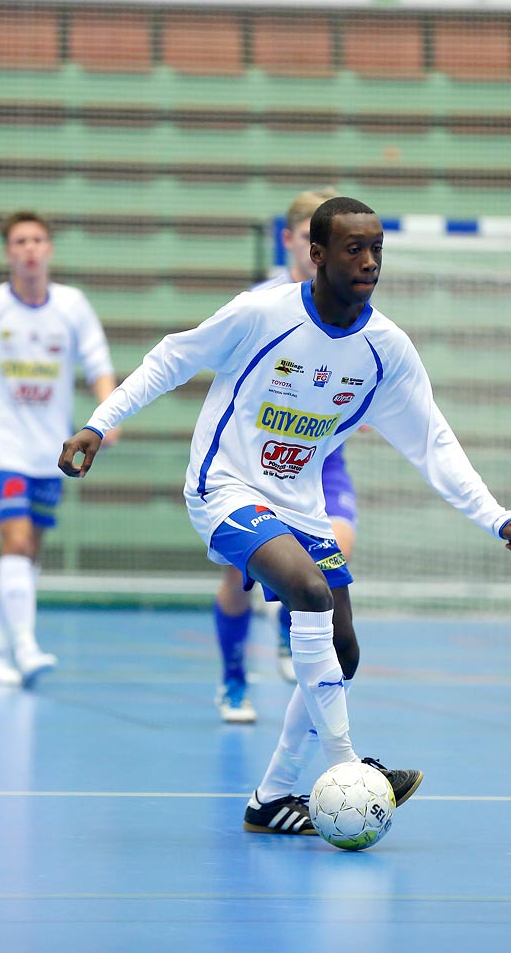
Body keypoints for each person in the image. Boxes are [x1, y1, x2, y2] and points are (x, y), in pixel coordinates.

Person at [61, 196, 511, 835]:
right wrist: (100, 423)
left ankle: (271, 798)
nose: (369, 261)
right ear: (315, 255)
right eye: (353, 249)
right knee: (310, 593)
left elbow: (433, 442)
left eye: (376, 248)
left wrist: (493, 515)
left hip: (301, 503)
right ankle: (350, 770)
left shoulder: (385, 350)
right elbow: (172, 358)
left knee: (342, 653)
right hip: (224, 489)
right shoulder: (263, 313)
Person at [0, 210, 118, 689]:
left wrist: (106, 415)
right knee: (14, 543)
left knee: (29, 553)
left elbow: (98, 362)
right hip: (1, 445)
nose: (30, 248)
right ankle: (28, 647)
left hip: (50, 451)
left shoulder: (73, 306)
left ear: (49, 249)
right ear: (7, 252)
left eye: (37, 240)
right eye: (19, 241)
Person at [212, 187, 362, 724]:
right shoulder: (260, 305)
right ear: (292, 241)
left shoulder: (351, 305)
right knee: (238, 578)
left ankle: (289, 629)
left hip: (321, 464)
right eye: (311, 238)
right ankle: (232, 678)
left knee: (332, 554)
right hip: (256, 468)